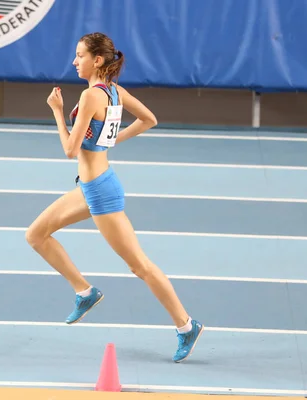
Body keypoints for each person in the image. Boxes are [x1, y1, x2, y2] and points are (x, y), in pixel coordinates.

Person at [25, 32, 204, 363]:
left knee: (140, 266)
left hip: (102, 193)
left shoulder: (93, 95)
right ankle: (85, 291)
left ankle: (186, 325)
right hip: (91, 186)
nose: (74, 61)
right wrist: (111, 141)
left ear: (97, 60)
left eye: (79, 56)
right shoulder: (115, 91)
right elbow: (149, 120)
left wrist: (57, 111)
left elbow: (69, 149)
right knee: (36, 234)